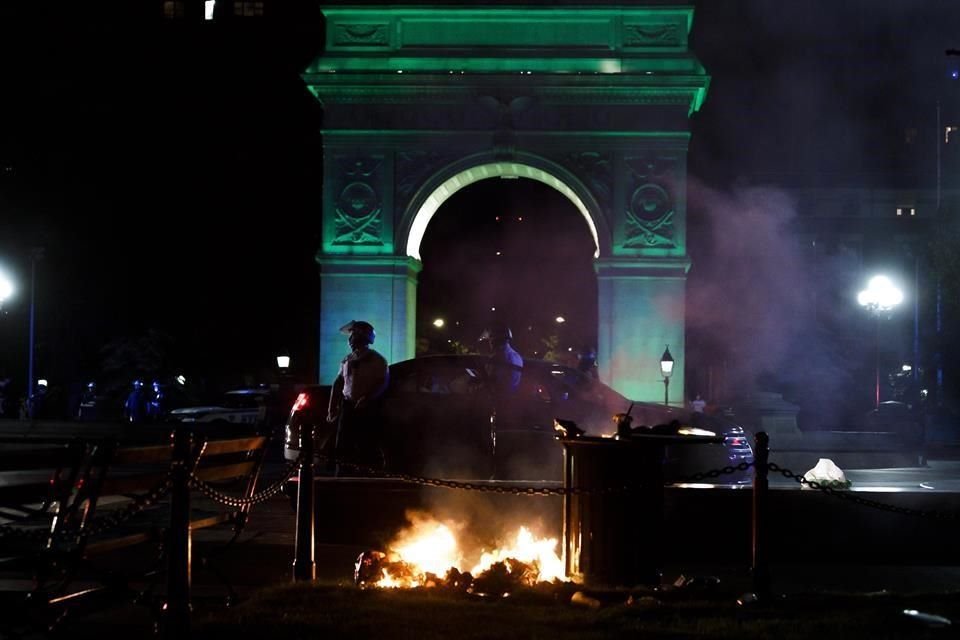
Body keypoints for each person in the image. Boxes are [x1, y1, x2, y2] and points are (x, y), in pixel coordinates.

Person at [327, 320, 389, 473]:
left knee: (367, 445)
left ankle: (368, 478)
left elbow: (383, 383)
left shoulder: (377, 360)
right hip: (348, 406)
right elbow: (338, 383)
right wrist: (331, 408)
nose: (350, 340)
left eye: (353, 335)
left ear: (363, 337)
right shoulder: (347, 359)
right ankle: (341, 477)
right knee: (342, 445)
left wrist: (368, 398)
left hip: (368, 409)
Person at [479, 323, 524, 477]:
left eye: (491, 340)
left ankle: (495, 472)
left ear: (496, 340)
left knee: (494, 443)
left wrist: (479, 381)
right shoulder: (516, 355)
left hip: (497, 404)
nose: (490, 343)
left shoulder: (500, 357)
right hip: (509, 404)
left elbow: (494, 382)